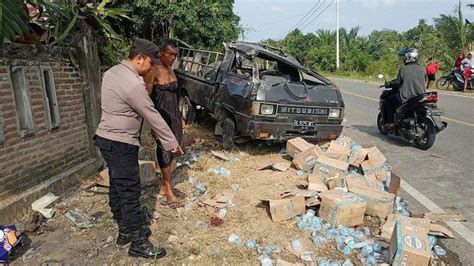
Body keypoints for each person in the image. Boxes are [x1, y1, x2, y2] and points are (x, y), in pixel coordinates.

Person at [94, 38, 182, 259]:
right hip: (120, 142)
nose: (151, 68)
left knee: (117, 186)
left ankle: (125, 231)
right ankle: (138, 243)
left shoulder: (112, 72)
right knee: (130, 192)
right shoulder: (133, 83)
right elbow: (151, 113)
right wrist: (172, 143)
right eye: (150, 63)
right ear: (139, 58)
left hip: (107, 139)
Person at [144, 38, 185, 209]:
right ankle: (168, 190)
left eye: (175, 55)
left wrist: (180, 116)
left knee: (174, 150)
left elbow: (174, 96)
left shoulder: (171, 69)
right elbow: (145, 98)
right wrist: (153, 125)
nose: (172, 58)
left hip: (174, 116)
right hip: (160, 118)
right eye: (169, 54)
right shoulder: (152, 70)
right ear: (160, 52)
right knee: (164, 151)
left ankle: (163, 185)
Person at [383, 48, 427, 129]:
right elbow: (425, 81)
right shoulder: (422, 68)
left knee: (388, 101)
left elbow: (398, 83)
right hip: (421, 96)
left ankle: (390, 123)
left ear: (408, 57)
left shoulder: (403, 69)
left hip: (406, 96)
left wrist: (390, 84)